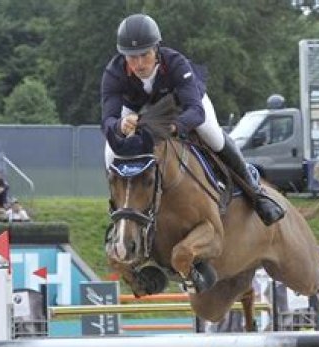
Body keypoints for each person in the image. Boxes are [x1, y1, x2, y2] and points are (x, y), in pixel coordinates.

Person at [101, 13, 285, 228]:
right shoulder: (113, 73)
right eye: (132, 57)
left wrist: (173, 127)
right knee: (110, 152)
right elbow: (107, 120)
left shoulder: (176, 63)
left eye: (145, 54)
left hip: (182, 105)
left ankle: (256, 193)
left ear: (156, 49)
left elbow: (196, 112)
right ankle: (120, 214)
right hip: (138, 108)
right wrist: (120, 125)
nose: (139, 64)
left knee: (212, 134)